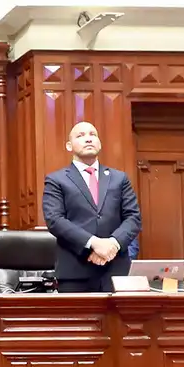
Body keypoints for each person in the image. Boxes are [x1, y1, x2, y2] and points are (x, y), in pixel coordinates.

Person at [42, 121, 141, 292]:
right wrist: (94, 243)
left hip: (116, 271)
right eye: (80, 136)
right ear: (69, 146)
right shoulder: (56, 180)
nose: (88, 139)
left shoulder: (119, 178)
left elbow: (133, 218)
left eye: (92, 135)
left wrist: (113, 244)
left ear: (99, 143)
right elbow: (55, 220)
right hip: (76, 271)